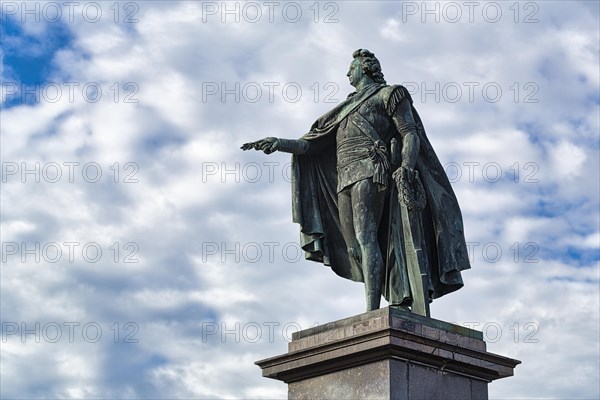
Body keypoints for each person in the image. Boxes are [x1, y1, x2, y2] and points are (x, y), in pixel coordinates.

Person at [242, 49, 470, 313]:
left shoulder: (390, 93)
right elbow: (310, 146)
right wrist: (278, 143)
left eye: (352, 67)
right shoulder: (344, 110)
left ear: (366, 68)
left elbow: (409, 133)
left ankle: (372, 311)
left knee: (366, 238)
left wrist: (406, 166)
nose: (347, 72)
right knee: (354, 248)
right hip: (344, 177)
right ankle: (389, 295)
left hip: (371, 170)